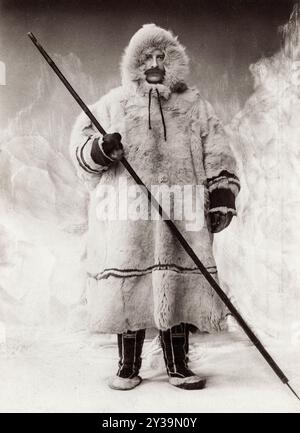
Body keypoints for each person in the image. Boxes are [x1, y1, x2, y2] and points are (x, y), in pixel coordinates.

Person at [70, 24, 240, 390]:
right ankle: (127, 366)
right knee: (129, 286)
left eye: (162, 56)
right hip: (128, 217)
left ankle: (178, 365)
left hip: (182, 211)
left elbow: (218, 149)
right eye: (146, 57)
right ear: (133, 62)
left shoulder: (194, 106)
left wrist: (222, 193)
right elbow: (79, 146)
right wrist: (101, 148)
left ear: (174, 62)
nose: (155, 63)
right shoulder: (113, 103)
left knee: (177, 282)